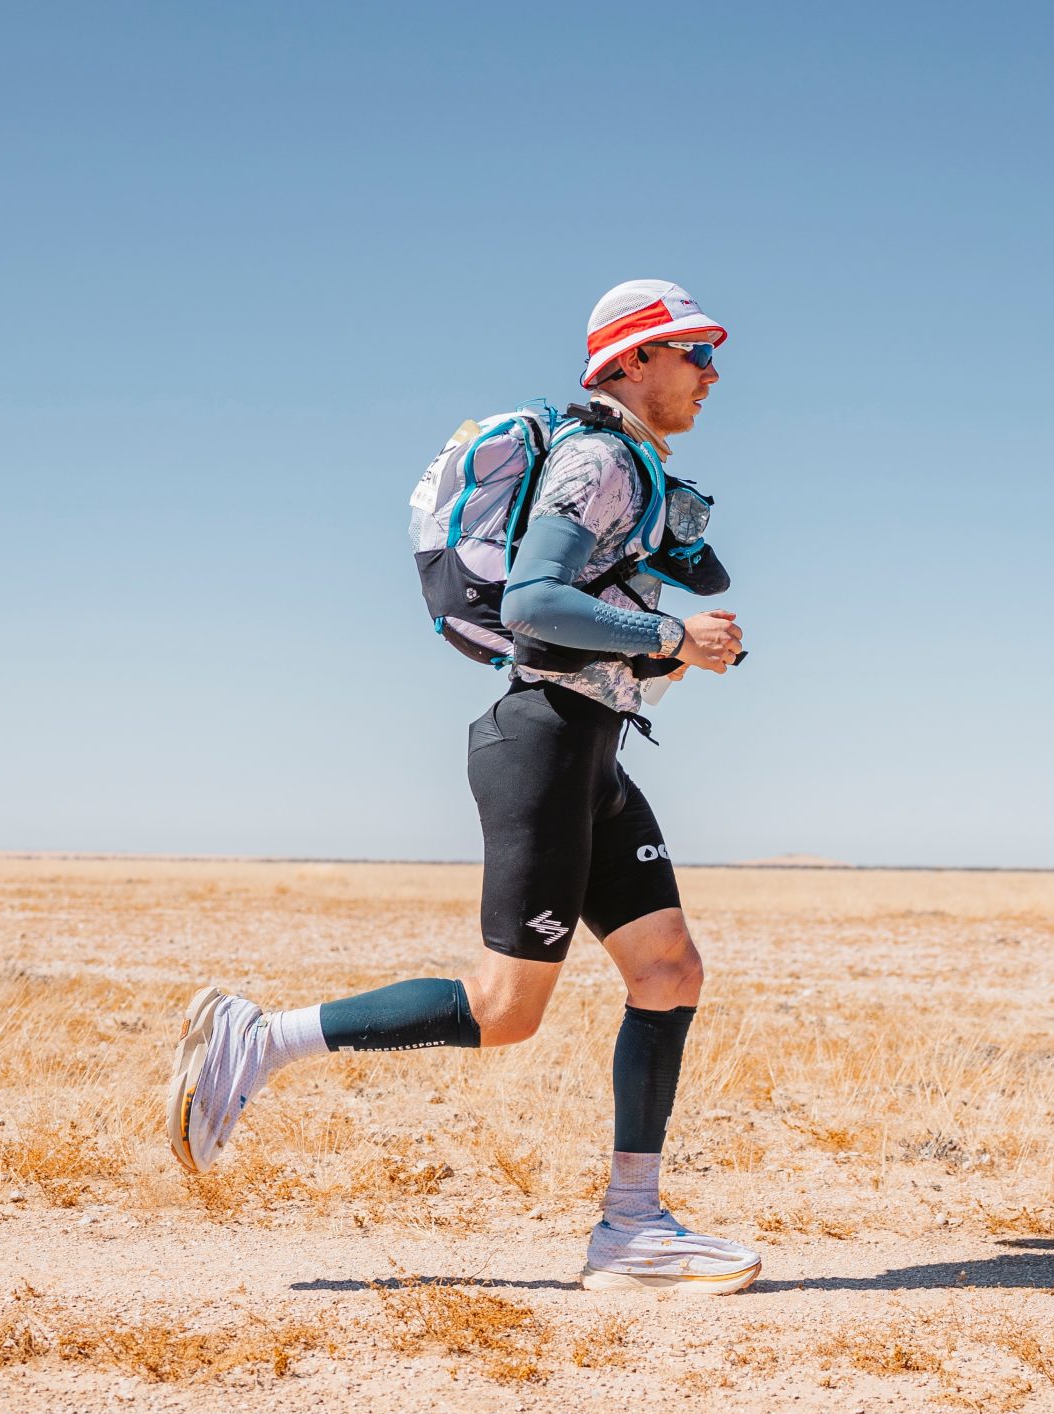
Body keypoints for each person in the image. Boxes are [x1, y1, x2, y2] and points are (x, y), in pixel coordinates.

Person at [162, 280, 758, 1294]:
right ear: (631, 360)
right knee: (502, 1009)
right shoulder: (600, 457)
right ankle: (257, 1040)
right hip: (548, 746)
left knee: (669, 972)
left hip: (593, 748)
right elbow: (533, 605)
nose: (712, 371)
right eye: (694, 350)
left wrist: (677, 629)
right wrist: (669, 635)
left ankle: (632, 1232)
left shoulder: (635, 469)